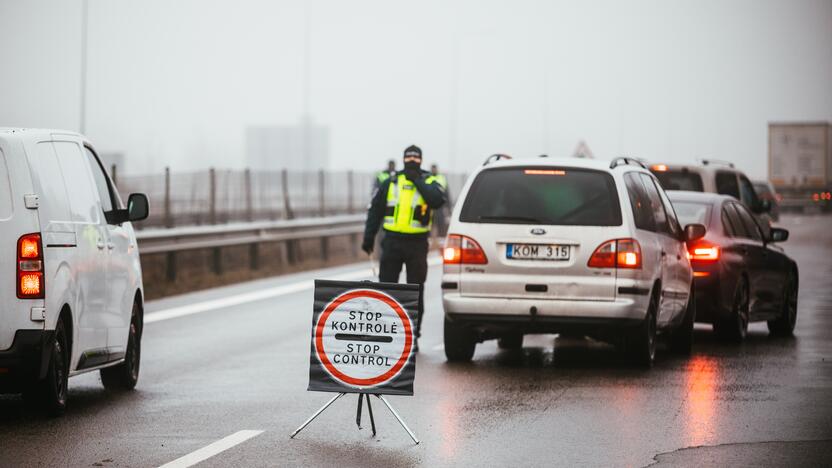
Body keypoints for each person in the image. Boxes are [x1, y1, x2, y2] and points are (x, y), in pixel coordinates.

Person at [362, 145, 446, 351]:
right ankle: (387, 332)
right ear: (403, 160)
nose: (411, 163)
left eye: (415, 159)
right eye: (408, 159)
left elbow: (437, 201)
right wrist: (369, 237)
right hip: (392, 243)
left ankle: (412, 335)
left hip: (417, 244)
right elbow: (375, 212)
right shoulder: (390, 182)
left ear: (420, 161)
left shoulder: (429, 181)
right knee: (387, 290)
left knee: (415, 292)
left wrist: (417, 180)